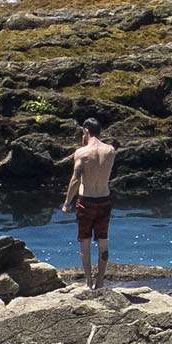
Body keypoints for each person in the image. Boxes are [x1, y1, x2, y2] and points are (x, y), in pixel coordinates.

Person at [61, 117, 116, 288]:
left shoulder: (82, 153)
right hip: (104, 200)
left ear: (86, 131)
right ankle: (100, 282)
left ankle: (89, 282)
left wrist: (66, 203)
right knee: (103, 241)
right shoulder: (110, 150)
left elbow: (75, 180)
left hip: (86, 202)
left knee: (85, 242)